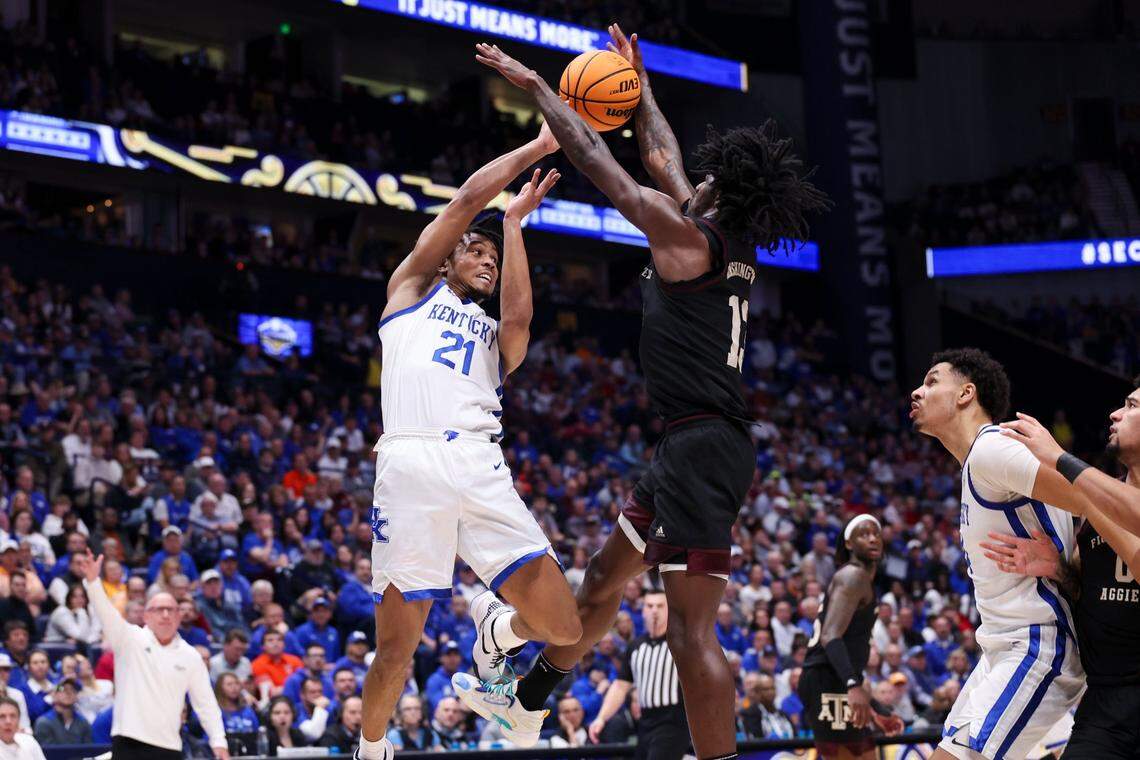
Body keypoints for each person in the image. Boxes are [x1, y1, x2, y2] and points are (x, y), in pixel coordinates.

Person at [468, 24, 827, 759]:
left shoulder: (684, 234)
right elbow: (659, 153)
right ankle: (529, 702)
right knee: (602, 576)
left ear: (719, 193)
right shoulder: (716, 233)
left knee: (694, 628)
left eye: (709, 177)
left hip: (704, 446)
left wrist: (539, 86)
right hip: (684, 445)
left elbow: (606, 165)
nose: (693, 176)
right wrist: (641, 86)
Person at [357, 126, 581, 760]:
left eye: (493, 255)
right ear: (450, 256)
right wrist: (536, 150)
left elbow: (520, 321)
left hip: (480, 463)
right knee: (397, 646)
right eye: (476, 250)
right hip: (410, 461)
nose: (485, 260)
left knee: (564, 626)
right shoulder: (408, 295)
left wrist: (514, 229)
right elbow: (460, 204)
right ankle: (370, 751)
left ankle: (497, 631)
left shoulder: (496, 337)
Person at [910, 349, 1084, 760]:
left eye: (933, 381)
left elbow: (1089, 497)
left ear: (966, 393)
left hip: (1034, 646)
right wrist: (1061, 565)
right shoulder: (979, 461)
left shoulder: (992, 449)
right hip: (1001, 650)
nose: (918, 391)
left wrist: (1062, 564)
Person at [981, 378, 1140, 760]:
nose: (1116, 414)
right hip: (1106, 702)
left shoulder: (1090, 501)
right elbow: (1088, 588)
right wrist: (1059, 570)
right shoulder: (1095, 502)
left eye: (1133, 406)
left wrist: (1060, 460)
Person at [80, 548, 228, 760]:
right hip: (129, 743)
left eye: (171, 609)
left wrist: (218, 740)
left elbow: (205, 702)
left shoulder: (190, 655)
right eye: (159, 609)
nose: (166, 615)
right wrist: (93, 583)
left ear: (179, 616)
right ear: (146, 616)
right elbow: (106, 613)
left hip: (169, 746)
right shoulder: (129, 640)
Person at [799, 516, 902, 759]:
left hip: (839, 680)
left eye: (876, 533)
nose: (872, 538)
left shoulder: (861, 578)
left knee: (867, 755)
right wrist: (853, 685)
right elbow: (830, 636)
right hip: (827, 681)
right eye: (863, 534)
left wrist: (873, 706)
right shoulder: (852, 576)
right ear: (848, 544)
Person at [588, 590, 687, 760]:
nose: (655, 610)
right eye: (650, 606)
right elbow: (620, 686)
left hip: (674, 723)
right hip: (645, 723)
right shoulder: (635, 646)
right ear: (643, 611)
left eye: (660, 606)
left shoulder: (681, 643)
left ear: (669, 610)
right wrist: (601, 718)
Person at [32, 679, 91, 745]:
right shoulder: (44, 722)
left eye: (73, 689)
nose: (68, 692)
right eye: (62, 689)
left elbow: (89, 750)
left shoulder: (83, 723)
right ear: (54, 694)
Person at [740, 674, 794, 740]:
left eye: (772, 688)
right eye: (766, 689)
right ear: (757, 692)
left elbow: (795, 736)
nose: (770, 692)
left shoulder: (783, 714)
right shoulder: (749, 714)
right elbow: (754, 740)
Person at [0, 657, 28, 732]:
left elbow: (26, 726)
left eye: (6, 669)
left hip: (15, 737)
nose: (2, 673)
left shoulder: (17, 694)